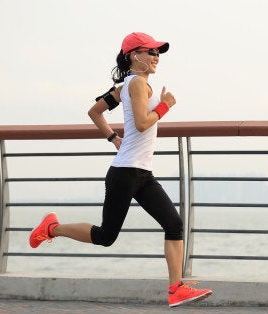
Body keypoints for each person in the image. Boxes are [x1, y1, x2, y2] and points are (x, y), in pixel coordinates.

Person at [28, 32, 212, 307]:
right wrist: (165, 106)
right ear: (133, 55)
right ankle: (52, 228)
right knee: (106, 236)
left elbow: (95, 112)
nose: (156, 57)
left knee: (173, 224)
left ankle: (176, 289)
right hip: (126, 173)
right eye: (150, 52)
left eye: (158, 53)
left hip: (142, 173)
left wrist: (113, 138)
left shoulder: (125, 85)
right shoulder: (136, 83)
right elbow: (141, 123)